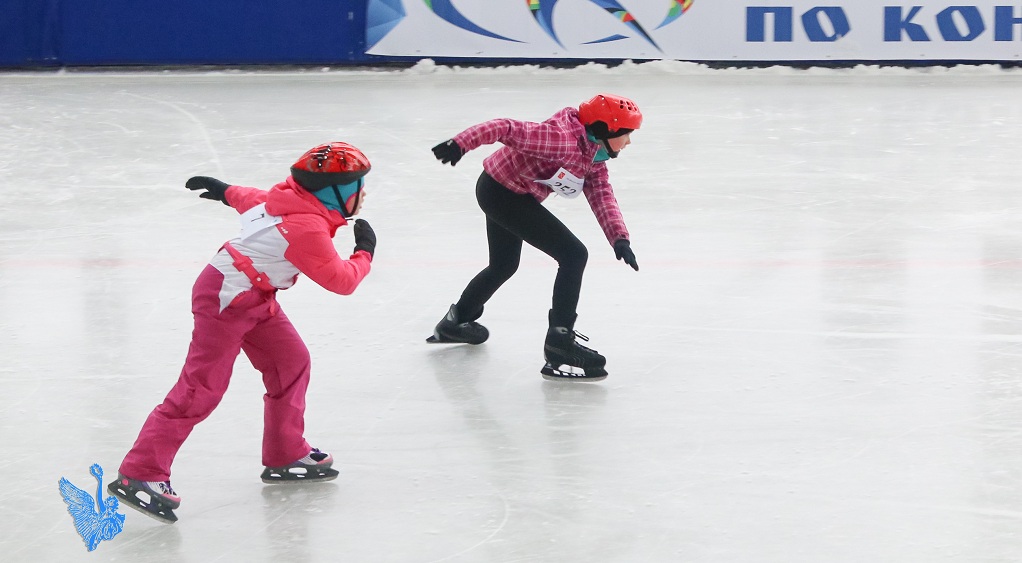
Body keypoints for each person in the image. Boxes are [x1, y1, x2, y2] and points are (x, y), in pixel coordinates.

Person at [107, 142, 377, 523]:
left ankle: (286, 452)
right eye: (356, 187)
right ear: (333, 193)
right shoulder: (306, 228)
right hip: (226, 296)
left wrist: (222, 190)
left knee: (291, 361)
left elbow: (251, 199)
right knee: (202, 388)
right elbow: (342, 281)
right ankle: (141, 471)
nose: (362, 194)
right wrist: (365, 251)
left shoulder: (290, 201)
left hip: (254, 292)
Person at [427, 94, 641, 382]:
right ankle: (559, 343)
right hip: (501, 193)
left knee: (503, 265)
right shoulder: (559, 139)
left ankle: (456, 321)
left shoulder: (593, 155)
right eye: (626, 134)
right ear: (605, 130)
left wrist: (619, 238)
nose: (628, 142)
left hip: (507, 192)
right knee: (573, 254)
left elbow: (602, 195)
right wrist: (461, 143)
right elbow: (504, 127)